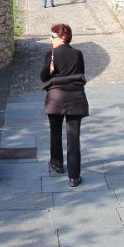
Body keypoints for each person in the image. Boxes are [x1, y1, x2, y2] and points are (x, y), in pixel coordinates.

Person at [40, 23, 88, 187]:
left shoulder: (51, 54)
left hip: (56, 99)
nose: (50, 39)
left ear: (62, 37)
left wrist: (51, 68)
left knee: (55, 132)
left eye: (53, 36)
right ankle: (74, 177)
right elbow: (81, 72)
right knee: (73, 137)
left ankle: (57, 163)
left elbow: (43, 77)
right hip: (76, 99)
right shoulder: (78, 54)